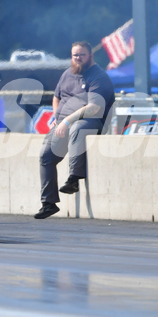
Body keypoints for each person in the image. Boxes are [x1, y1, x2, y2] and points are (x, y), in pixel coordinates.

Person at [34, 41, 115, 219]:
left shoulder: (98, 77)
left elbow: (94, 107)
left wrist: (67, 121)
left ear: (90, 56)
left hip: (91, 121)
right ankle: (48, 204)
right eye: (75, 55)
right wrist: (57, 118)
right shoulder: (67, 74)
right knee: (46, 155)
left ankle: (74, 179)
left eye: (81, 55)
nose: (78, 58)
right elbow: (56, 97)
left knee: (77, 128)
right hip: (64, 123)